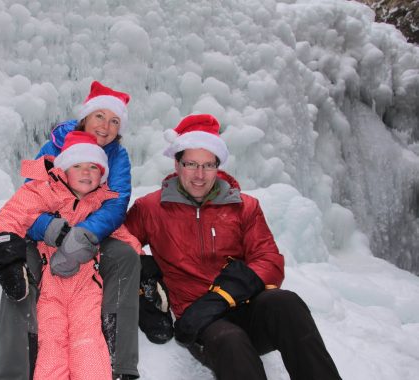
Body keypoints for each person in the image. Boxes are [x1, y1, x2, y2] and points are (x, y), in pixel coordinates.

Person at [125, 114, 343, 380]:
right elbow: (119, 238)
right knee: (231, 340)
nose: (199, 175)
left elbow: (268, 259)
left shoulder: (244, 207)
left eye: (208, 165)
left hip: (246, 305)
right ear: (177, 163)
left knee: (286, 303)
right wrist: (144, 266)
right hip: (201, 322)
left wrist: (223, 296)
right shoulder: (151, 208)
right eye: (191, 164)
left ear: (218, 167)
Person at [0, 81, 141, 380]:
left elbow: (116, 210)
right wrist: (51, 230)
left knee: (88, 343)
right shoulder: (52, 148)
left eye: (114, 121)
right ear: (85, 116)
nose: (106, 126)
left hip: (86, 269)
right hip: (47, 254)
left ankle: (119, 369)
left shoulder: (116, 160)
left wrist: (81, 237)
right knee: (51, 340)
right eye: (100, 116)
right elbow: (25, 202)